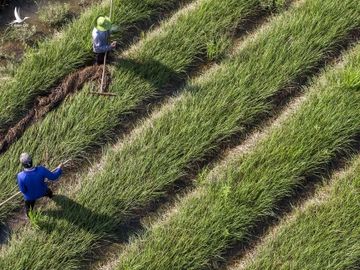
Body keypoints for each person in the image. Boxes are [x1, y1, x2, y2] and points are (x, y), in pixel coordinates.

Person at [16, 153, 63, 217]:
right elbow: (54, 177)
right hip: (43, 191)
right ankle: (51, 196)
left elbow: (23, 190)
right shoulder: (41, 169)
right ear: (31, 161)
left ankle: (29, 216)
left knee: (28, 208)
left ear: (22, 164)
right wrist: (59, 169)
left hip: (30, 197)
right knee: (48, 191)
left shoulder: (20, 176)